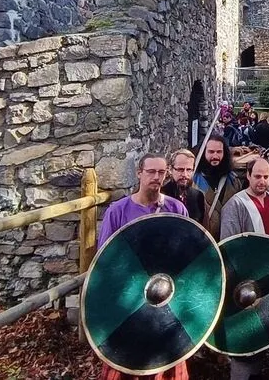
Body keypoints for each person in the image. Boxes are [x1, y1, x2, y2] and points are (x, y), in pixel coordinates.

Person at [97, 151, 191, 380]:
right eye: (151, 171)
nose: (156, 177)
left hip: (166, 299)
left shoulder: (176, 209)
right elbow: (106, 260)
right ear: (139, 173)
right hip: (129, 302)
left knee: (166, 363)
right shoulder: (117, 211)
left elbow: (188, 256)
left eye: (161, 172)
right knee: (127, 364)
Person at [219, 158, 269, 380]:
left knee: (264, 331)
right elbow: (229, 245)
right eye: (257, 176)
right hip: (246, 281)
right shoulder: (236, 205)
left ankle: (257, 372)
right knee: (246, 335)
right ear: (248, 176)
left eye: (266, 176)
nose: (262, 181)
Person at [193, 134, 243, 237]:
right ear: (203, 153)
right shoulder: (194, 182)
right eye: (211, 152)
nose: (215, 156)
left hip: (229, 239)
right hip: (204, 241)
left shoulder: (233, 181)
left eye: (219, 152)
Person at [162, 149, 206, 224]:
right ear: (170, 169)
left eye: (189, 170)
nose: (185, 175)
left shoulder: (198, 196)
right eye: (180, 170)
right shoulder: (161, 195)